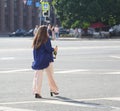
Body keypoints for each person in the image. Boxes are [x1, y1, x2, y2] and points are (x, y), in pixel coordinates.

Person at [32, 25, 59, 98]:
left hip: (38, 61)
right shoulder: (46, 39)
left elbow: (34, 52)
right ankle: (53, 90)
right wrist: (54, 50)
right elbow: (48, 49)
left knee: (37, 77)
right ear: (45, 31)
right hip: (46, 60)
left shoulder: (36, 39)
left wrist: (36, 60)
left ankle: (37, 92)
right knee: (50, 76)